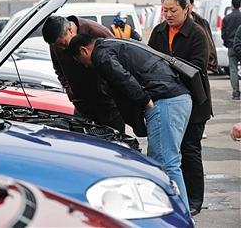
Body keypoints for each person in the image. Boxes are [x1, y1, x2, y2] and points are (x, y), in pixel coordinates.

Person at [68, 33, 192, 209]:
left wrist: (145, 101)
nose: (85, 66)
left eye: (81, 61)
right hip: (175, 98)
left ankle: (179, 216)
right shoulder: (113, 44)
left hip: (165, 101)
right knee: (166, 163)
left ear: (84, 50)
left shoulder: (101, 55)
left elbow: (122, 78)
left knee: (165, 165)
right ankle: (179, 213)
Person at [148, 0, 212, 216]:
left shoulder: (197, 33)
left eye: (173, 10)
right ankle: (172, 195)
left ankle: (194, 199)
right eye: (165, 10)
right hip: (165, 98)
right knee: (169, 152)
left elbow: (197, 68)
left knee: (190, 149)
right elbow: (149, 59)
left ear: (187, 9)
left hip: (194, 101)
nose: (168, 14)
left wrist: (168, 69)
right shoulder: (159, 31)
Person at [42, 15, 125, 133]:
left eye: (64, 44)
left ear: (70, 29)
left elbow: (120, 61)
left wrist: (110, 91)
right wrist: (70, 92)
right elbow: (59, 71)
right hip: (82, 108)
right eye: (58, 46)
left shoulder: (95, 31)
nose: (62, 48)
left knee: (115, 146)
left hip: (109, 106)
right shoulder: (56, 44)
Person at [184, 0, 218, 73]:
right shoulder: (175, 24)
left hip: (199, 64)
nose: (184, 8)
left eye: (186, 5)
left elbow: (210, 43)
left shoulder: (202, 22)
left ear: (192, 5)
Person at [221, 0, 241, 100]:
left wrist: (226, 43)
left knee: (233, 70)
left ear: (232, 5)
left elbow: (223, 33)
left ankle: (236, 93)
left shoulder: (227, 18)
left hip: (231, 47)